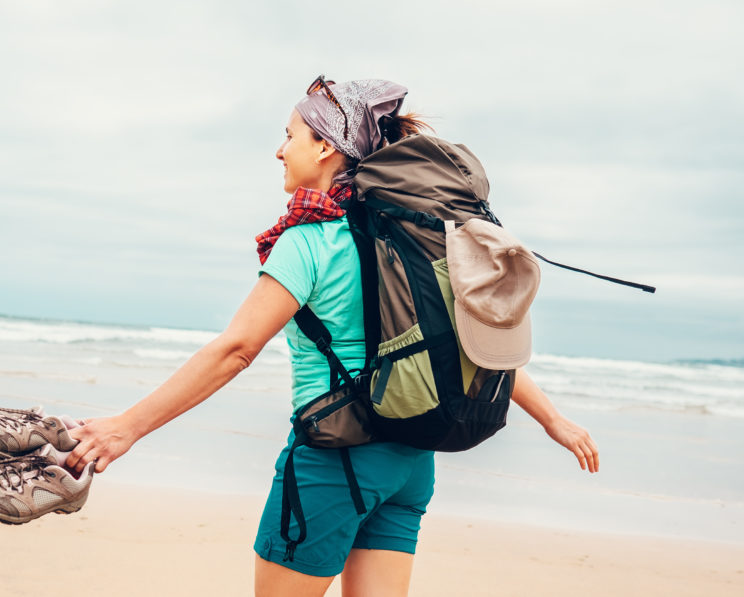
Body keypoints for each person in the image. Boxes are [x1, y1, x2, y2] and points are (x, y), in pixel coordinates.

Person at [61, 77, 600, 597]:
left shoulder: (309, 241)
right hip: (409, 463)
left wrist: (125, 428)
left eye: (290, 136)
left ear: (325, 147)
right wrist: (554, 419)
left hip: (335, 455)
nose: (280, 151)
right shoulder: (415, 243)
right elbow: (460, 341)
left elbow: (236, 349)